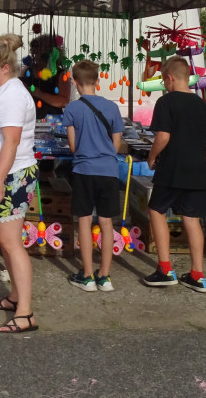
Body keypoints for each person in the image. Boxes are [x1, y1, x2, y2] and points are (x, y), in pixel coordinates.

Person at [0, 34, 39, 333]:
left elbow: (12, 142)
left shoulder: (12, 94)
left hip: (10, 177)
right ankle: (15, 297)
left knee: (12, 244)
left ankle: (25, 313)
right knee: (5, 240)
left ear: (5, 67)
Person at [141, 56, 206, 293]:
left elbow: (163, 136)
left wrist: (152, 157)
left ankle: (165, 269)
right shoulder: (200, 103)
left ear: (169, 78)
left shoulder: (167, 101)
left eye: (164, 81)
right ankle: (198, 274)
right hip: (196, 169)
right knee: (191, 218)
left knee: (156, 210)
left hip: (172, 167)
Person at [63, 59, 124, 292]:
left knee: (85, 221)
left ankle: (87, 275)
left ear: (76, 83)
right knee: (107, 223)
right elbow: (116, 142)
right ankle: (105, 276)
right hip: (108, 170)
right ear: (98, 81)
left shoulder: (72, 109)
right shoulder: (111, 107)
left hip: (83, 170)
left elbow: (72, 145)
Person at [24, 33, 71, 119]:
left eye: (37, 50)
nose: (34, 54)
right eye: (33, 50)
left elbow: (64, 102)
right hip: (29, 120)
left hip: (52, 122)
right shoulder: (27, 70)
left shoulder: (60, 74)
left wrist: (40, 94)